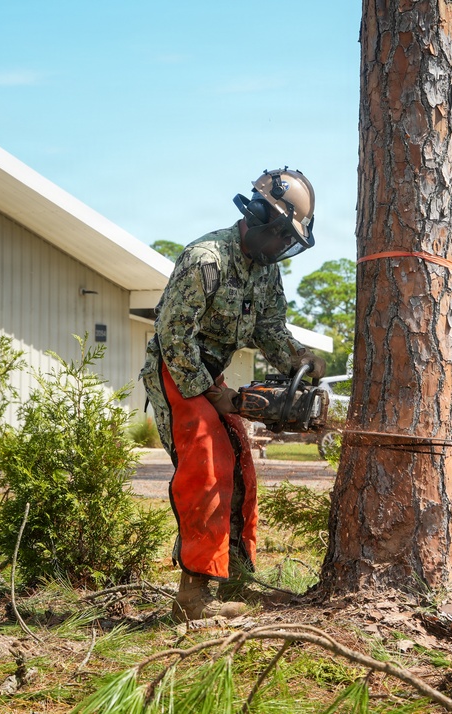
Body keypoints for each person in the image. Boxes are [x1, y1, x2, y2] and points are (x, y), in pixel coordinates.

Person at [140, 167, 327, 621]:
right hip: (176, 368)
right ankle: (193, 597)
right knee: (207, 462)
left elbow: (269, 330)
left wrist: (299, 359)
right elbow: (173, 335)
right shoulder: (208, 259)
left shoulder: (264, 273)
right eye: (281, 234)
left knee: (242, 463)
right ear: (260, 214)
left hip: (211, 374)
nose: (282, 246)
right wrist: (211, 394)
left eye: (290, 240)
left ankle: (235, 576)